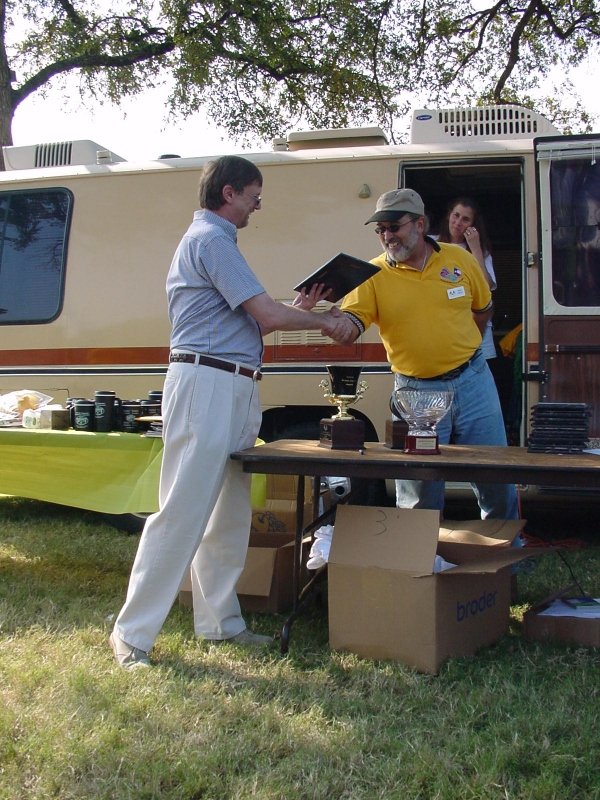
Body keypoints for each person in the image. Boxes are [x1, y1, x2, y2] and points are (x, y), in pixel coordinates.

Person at [110, 155, 353, 669]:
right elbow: (265, 313)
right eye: (253, 195)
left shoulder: (216, 243)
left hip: (232, 384)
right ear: (228, 193)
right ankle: (131, 636)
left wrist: (302, 310)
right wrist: (328, 321)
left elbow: (254, 322)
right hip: (206, 384)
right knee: (182, 511)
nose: (257, 205)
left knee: (228, 511)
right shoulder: (211, 241)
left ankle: (220, 623)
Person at [337, 188, 518, 520]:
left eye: (394, 226)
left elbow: (483, 309)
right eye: (381, 230)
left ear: (420, 225)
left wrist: (463, 349)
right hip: (416, 394)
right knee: (419, 491)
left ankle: (503, 564)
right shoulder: (372, 275)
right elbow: (350, 327)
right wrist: (325, 320)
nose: (388, 236)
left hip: (473, 382)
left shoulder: (460, 259)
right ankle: (419, 567)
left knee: (495, 477)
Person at [435, 197, 497, 359]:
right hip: (443, 326)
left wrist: (475, 248)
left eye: (465, 219)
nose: (458, 222)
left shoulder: (481, 252)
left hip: (475, 325)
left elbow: (487, 286)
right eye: (456, 215)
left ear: (473, 225)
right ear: (449, 216)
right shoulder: (431, 244)